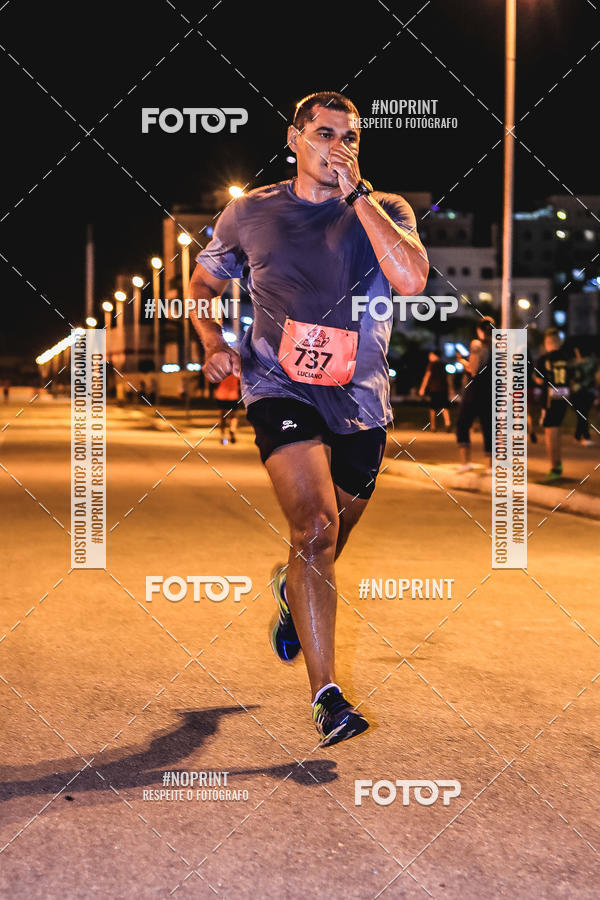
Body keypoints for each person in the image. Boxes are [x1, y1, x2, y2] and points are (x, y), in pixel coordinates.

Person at [189, 91, 428, 747]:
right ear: (294, 138)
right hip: (278, 386)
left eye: (351, 138)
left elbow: (411, 282)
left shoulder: (388, 211)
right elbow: (203, 284)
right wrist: (214, 345)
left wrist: (360, 201)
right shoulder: (252, 212)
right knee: (316, 525)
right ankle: (328, 700)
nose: (338, 147)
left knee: (323, 544)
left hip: (361, 401)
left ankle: (291, 588)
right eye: (325, 133)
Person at [456, 317, 494, 474]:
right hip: (491, 389)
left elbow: (473, 369)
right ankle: (491, 465)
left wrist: (462, 362)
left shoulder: (477, 345)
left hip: (474, 389)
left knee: (462, 423)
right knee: (488, 426)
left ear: (479, 330)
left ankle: (466, 462)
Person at [534, 328, 570, 481]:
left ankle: (554, 467)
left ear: (548, 343)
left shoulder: (544, 359)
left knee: (550, 434)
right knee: (557, 430)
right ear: (559, 342)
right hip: (564, 398)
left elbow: (539, 379)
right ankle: (558, 463)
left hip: (549, 400)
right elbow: (572, 377)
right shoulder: (566, 357)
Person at [418, 350, 451, 432]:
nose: (429, 357)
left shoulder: (431, 365)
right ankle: (448, 423)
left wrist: (422, 388)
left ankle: (433, 426)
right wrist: (451, 389)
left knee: (433, 407)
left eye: (430, 356)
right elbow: (448, 377)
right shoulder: (444, 364)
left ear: (434, 355)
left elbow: (427, 376)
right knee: (444, 407)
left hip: (434, 388)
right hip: (444, 388)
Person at [571, 346, 597, 446]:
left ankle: (582, 437)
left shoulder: (577, 365)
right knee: (583, 415)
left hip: (579, 393)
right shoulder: (593, 364)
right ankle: (581, 436)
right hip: (589, 393)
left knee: (582, 415)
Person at [214, 373, 241, 445]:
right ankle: (232, 429)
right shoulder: (236, 370)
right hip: (233, 396)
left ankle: (222, 435)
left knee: (222, 417)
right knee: (234, 416)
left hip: (221, 395)